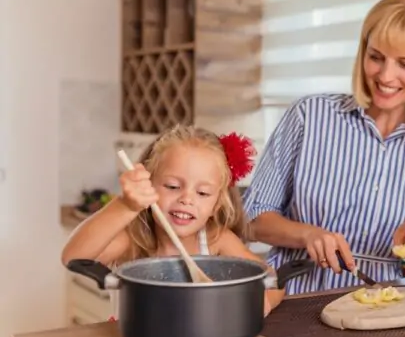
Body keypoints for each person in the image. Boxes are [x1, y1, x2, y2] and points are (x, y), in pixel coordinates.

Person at [242, 0, 405, 295]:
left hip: (381, 303)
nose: (385, 75)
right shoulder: (309, 116)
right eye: (376, 57)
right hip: (291, 296)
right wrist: (308, 235)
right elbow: (252, 218)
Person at [61, 125, 285, 317]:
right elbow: (73, 257)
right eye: (172, 187)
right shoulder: (132, 240)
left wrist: (259, 304)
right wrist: (125, 206)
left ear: (216, 205)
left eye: (203, 193)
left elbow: (274, 282)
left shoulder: (216, 239)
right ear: (149, 185)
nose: (186, 199)